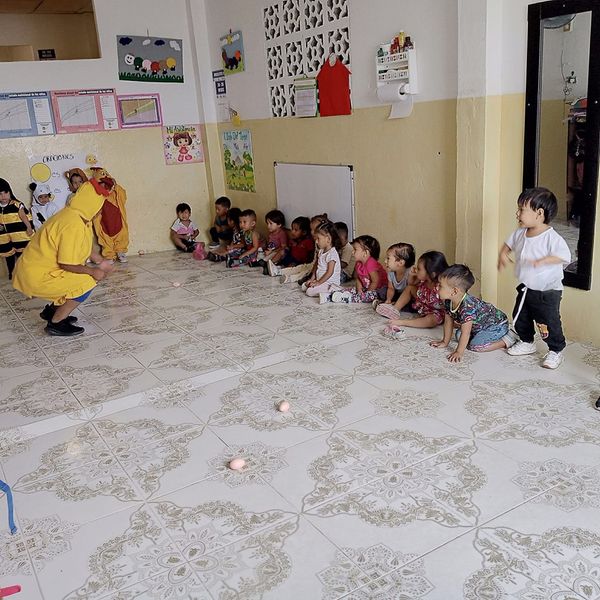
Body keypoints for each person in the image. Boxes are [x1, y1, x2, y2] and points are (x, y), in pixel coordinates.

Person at [12, 178, 115, 336]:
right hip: (37, 275)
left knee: (80, 278)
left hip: (35, 269)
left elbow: (82, 245)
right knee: (86, 283)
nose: (100, 211)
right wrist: (93, 271)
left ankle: (51, 311)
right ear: (92, 205)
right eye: (99, 206)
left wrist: (100, 261)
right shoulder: (73, 224)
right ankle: (56, 322)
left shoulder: (76, 216)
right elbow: (66, 264)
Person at [498, 187, 571, 369]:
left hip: (548, 291)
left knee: (548, 320)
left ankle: (556, 350)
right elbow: (509, 244)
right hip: (527, 287)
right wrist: (503, 254)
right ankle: (527, 341)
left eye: (521, 209)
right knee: (520, 315)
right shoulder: (520, 233)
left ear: (539, 213)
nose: (517, 213)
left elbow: (565, 256)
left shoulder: (551, 238)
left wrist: (544, 260)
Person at [430, 264, 517, 361]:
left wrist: (459, 352)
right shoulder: (448, 301)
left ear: (454, 291)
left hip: (496, 325)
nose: (436, 287)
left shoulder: (467, 307)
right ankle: (483, 335)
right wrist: (445, 342)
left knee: (474, 346)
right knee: (459, 336)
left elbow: (466, 333)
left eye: (440, 286)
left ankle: (508, 339)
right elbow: (448, 322)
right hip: (479, 327)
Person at [378, 250, 448, 331]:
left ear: (432, 274)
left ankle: (404, 322)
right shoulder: (423, 280)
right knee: (410, 288)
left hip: (435, 312)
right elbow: (410, 284)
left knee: (432, 320)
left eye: (419, 269)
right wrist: (412, 275)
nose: (416, 270)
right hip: (423, 303)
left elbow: (448, 305)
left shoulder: (441, 287)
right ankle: (395, 309)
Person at [321, 235, 387, 304]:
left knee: (368, 296)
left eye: (355, 249)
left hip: (379, 289)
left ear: (365, 253)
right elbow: (358, 278)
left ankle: (346, 298)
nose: (352, 252)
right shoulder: (358, 263)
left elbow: (375, 281)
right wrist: (359, 289)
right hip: (367, 287)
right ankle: (331, 295)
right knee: (351, 290)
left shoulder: (371, 264)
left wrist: (367, 293)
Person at [90, 166, 129, 263]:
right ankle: (109, 255)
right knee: (105, 238)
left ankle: (121, 251)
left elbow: (123, 197)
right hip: (104, 222)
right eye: (101, 184)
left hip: (117, 219)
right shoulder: (97, 196)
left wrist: (115, 186)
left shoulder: (115, 193)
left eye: (106, 184)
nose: (104, 187)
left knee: (121, 235)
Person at [0, 178, 34, 280]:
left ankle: (25, 272)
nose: (3, 196)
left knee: (21, 254)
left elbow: (23, 217)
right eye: (0, 194)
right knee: (9, 255)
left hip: (19, 236)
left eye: (6, 193)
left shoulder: (16, 204)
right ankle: (12, 272)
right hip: (5, 237)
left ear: (10, 192)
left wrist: (29, 227)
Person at [301, 220, 341, 299]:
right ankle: (321, 289)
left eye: (318, 239)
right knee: (304, 286)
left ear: (328, 239)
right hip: (321, 281)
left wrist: (318, 282)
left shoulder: (332, 254)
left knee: (309, 292)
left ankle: (332, 291)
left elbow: (329, 272)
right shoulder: (321, 251)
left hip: (329, 283)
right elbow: (317, 267)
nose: (316, 242)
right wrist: (312, 279)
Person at [374, 242, 416, 310]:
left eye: (388, 258)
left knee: (412, 303)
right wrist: (388, 299)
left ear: (400, 263)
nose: (385, 261)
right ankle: (390, 303)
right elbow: (391, 288)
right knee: (382, 291)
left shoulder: (410, 272)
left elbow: (411, 286)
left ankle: (396, 305)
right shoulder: (391, 272)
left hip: (406, 296)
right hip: (396, 293)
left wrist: (411, 276)